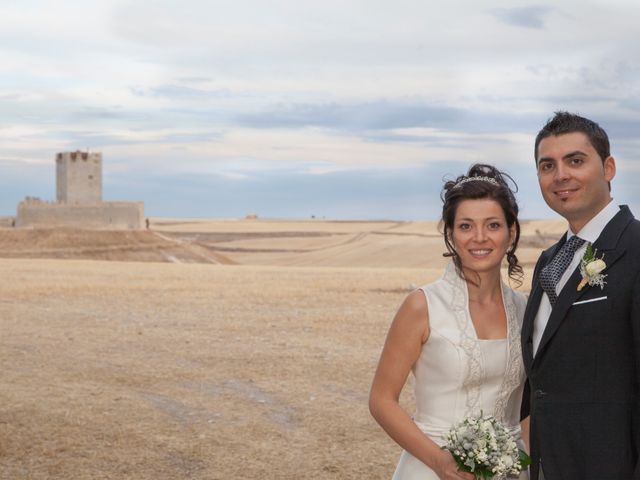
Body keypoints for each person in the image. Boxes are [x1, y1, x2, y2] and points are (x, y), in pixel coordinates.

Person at [370, 164, 529, 480]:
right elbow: (381, 400)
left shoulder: (524, 309)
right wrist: (439, 461)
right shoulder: (422, 305)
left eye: (493, 225)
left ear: (511, 233)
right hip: (432, 470)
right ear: (450, 234)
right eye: (466, 226)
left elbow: (526, 408)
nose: (479, 238)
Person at [521, 112, 640, 479]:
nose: (560, 176)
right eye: (547, 165)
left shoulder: (636, 249)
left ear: (608, 168)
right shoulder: (549, 261)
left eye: (575, 161)